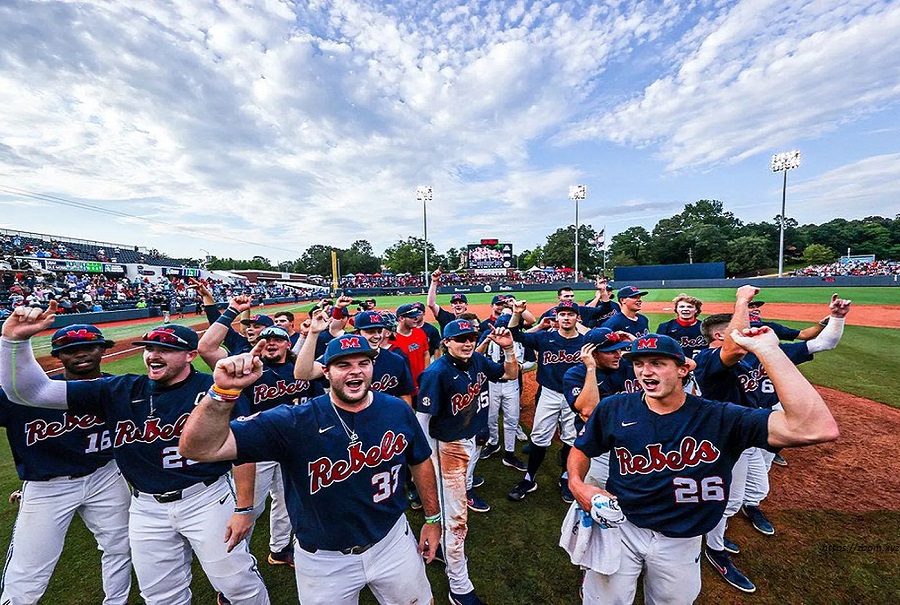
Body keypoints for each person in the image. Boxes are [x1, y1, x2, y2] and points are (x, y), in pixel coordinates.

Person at [0, 303, 270, 605]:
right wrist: (14, 341)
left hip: (205, 498)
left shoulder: (214, 387)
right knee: (160, 595)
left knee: (236, 584)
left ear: (190, 355)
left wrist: (245, 508)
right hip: (145, 507)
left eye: (166, 348)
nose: (154, 355)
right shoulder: (120, 389)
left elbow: (243, 451)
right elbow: (30, 392)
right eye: (149, 347)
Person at [567, 329, 840, 604]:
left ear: (683, 369)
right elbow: (582, 448)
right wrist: (577, 485)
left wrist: (769, 351)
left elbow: (816, 428)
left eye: (658, 363)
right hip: (622, 527)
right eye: (639, 364)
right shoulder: (614, 407)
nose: (646, 372)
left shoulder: (720, 417)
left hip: (682, 537)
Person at [179, 334, 442, 605]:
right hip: (324, 560)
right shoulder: (294, 421)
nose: (355, 371)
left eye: (363, 363)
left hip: (392, 540)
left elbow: (420, 459)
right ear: (325, 372)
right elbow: (198, 449)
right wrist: (222, 393)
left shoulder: (396, 409)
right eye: (343, 365)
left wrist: (433, 519)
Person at [694, 293, 851, 593]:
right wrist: (741, 300)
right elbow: (732, 350)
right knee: (727, 500)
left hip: (759, 429)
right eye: (740, 325)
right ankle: (714, 547)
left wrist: (838, 317)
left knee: (756, 489)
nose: (749, 327)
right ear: (720, 335)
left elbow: (824, 342)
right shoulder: (709, 361)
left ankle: (740, 515)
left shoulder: (760, 353)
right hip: (727, 440)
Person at [0, 324, 132, 605]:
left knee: (122, 547)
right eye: (70, 351)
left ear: (104, 350)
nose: (80, 355)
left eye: (89, 347)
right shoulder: (23, 395)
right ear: (58, 356)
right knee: (29, 566)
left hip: (105, 476)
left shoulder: (117, 390)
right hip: (47, 487)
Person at [416, 319, 518, 605]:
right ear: (446, 342)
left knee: (450, 508)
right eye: (460, 338)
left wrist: (509, 349)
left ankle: (435, 547)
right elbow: (421, 422)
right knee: (456, 517)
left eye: (471, 337)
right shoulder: (436, 373)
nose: (467, 342)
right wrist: (422, 462)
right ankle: (458, 585)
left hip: (467, 439)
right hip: (444, 446)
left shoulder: (478, 361)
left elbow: (510, 374)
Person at [235, 325, 323, 568]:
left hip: (294, 447)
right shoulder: (250, 374)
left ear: (288, 344)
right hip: (260, 448)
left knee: (287, 501)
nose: (270, 343)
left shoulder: (300, 371)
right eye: (265, 340)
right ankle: (237, 562)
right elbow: (240, 418)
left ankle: (280, 548)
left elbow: (317, 406)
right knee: (249, 506)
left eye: (276, 339)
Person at [507, 299, 585, 503]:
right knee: (539, 437)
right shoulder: (544, 338)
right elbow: (515, 335)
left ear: (577, 317)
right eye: (562, 314)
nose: (566, 317)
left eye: (570, 314)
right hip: (549, 393)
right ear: (556, 318)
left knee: (571, 438)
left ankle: (566, 477)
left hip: (575, 394)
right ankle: (529, 478)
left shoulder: (586, 341)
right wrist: (517, 313)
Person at [393, 303, 431, 394]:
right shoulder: (392, 340)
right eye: (412, 317)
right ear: (401, 319)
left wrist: (426, 373)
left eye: (416, 316)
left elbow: (426, 353)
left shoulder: (420, 332)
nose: (416, 319)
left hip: (423, 383)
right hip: (406, 387)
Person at [656, 293, 707, 359]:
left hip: (701, 365)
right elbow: (659, 349)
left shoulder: (705, 327)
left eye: (690, 307)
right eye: (681, 307)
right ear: (676, 309)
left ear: (696, 310)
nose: (685, 309)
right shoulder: (665, 327)